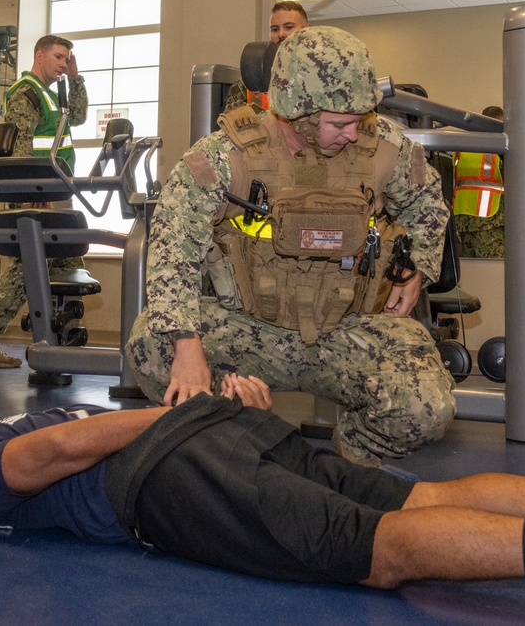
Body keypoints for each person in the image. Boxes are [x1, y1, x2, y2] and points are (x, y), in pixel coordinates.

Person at [0, 372, 525, 626]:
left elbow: (59, 447)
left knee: (376, 550)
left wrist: (178, 411)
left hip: (172, 482)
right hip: (229, 442)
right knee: (422, 498)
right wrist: (204, 414)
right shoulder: (21, 422)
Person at [126, 26, 456, 468]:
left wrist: (416, 269)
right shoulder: (228, 156)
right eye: (339, 123)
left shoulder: (385, 149)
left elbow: (428, 204)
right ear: (297, 114)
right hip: (250, 331)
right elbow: (172, 248)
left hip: (347, 331)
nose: (353, 134)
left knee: (428, 407)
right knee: (152, 345)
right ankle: (233, 435)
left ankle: (355, 455)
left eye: (359, 120)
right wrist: (188, 348)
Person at [0, 34, 89, 369]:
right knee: (29, 266)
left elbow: (78, 118)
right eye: (58, 57)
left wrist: (76, 78)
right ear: (39, 56)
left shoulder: (52, 94)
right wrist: (33, 194)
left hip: (53, 192)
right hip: (36, 195)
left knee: (69, 261)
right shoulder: (25, 92)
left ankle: (66, 342)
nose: (62, 63)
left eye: (67, 58)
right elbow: (22, 146)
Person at [224, 0, 309, 113]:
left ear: (307, 30)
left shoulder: (322, 72)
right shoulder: (251, 80)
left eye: (289, 27)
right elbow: (231, 125)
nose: (281, 34)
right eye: (275, 29)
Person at [454, 105, 505, 259]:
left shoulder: (460, 148)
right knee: (494, 272)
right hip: (489, 221)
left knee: (471, 273)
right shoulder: (498, 150)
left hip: (463, 221)